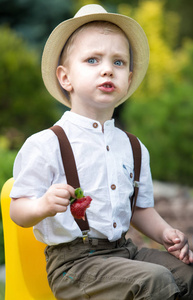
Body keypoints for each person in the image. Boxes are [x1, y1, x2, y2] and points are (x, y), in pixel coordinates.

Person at [10, 4, 193, 300]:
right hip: (74, 265)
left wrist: (165, 233)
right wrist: (43, 204)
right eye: (92, 60)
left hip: (123, 252)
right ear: (65, 77)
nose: (107, 68)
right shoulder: (47, 143)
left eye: (118, 62)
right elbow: (18, 210)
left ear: (129, 80)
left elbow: (138, 208)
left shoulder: (133, 147)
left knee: (186, 274)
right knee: (155, 281)